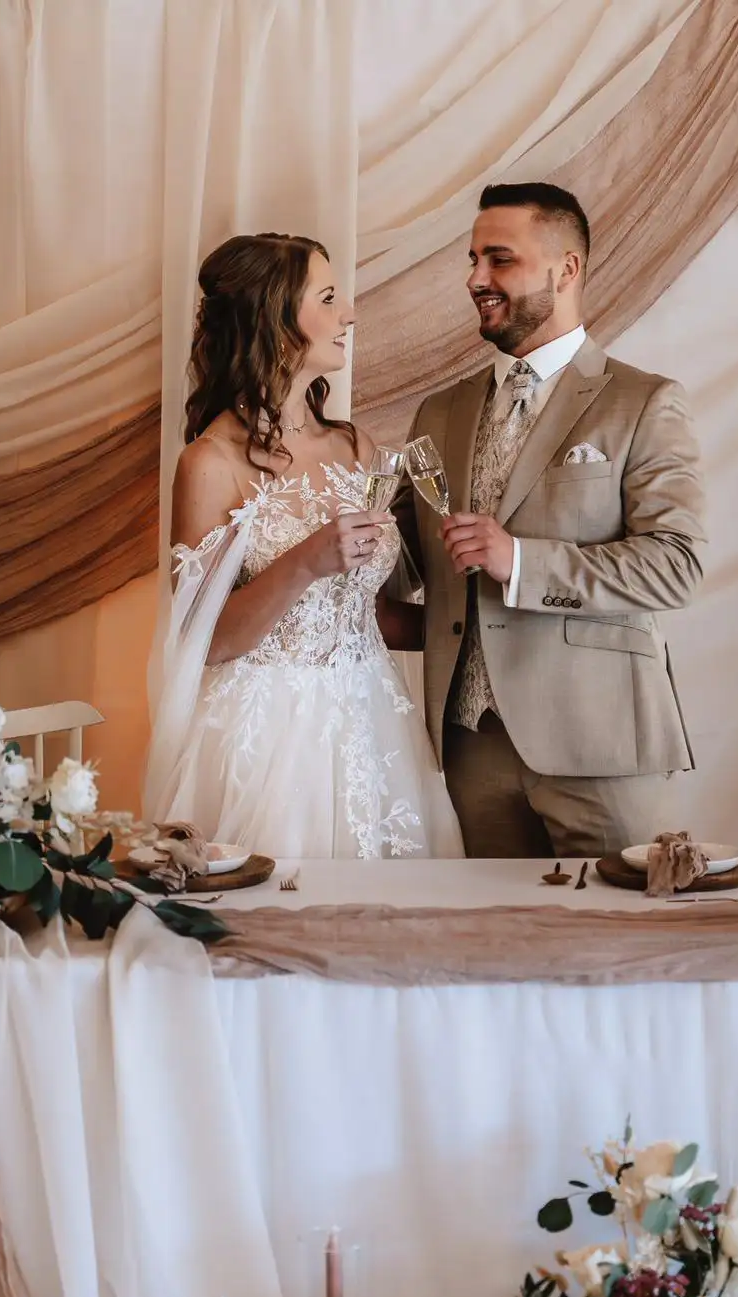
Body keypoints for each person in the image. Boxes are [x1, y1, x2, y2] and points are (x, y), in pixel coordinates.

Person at [392, 181, 706, 858]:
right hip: (473, 747)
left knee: (622, 949)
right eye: (474, 260)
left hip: (601, 744)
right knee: (502, 956)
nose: (476, 278)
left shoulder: (643, 403)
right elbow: (404, 564)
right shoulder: (436, 414)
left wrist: (523, 562)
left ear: (566, 270)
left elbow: (677, 566)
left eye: (499, 259)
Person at [143, 232, 462, 860]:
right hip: (271, 739)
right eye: (329, 298)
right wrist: (306, 560)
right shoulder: (211, 463)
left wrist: (467, 625)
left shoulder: (357, 449)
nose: (349, 314)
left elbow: (361, 612)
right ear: (277, 319)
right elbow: (209, 640)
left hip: (377, 723)